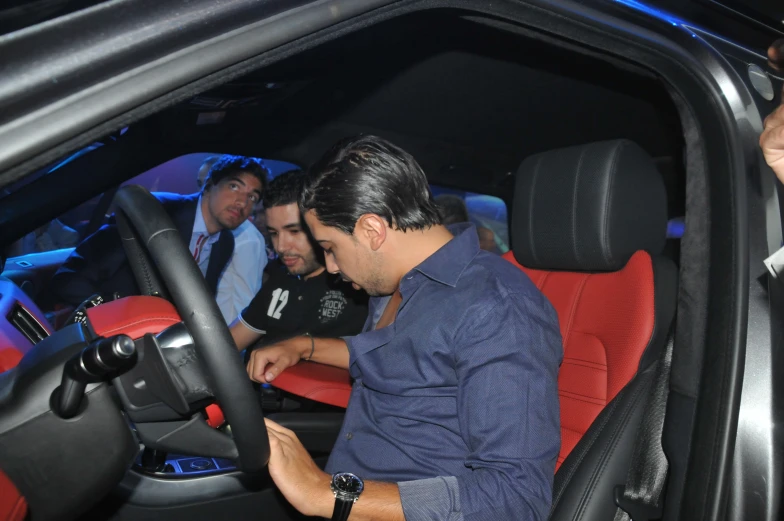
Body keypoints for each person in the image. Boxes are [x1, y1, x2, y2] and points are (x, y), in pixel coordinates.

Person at [251, 135, 562, 521]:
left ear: (371, 230)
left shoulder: (497, 307)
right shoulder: (395, 283)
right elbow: (395, 358)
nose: (330, 266)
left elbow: (517, 498)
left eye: (330, 247)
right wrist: (303, 346)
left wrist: (327, 494)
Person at [49, 155, 268, 324]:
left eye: (252, 197)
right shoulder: (158, 212)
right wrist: (104, 320)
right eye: (234, 186)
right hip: (109, 325)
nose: (242, 202)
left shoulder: (225, 242)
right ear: (210, 184)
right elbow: (75, 275)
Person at [230, 169, 368, 365]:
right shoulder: (281, 279)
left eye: (294, 231)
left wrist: (303, 348)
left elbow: (384, 359)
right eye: (274, 233)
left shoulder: (359, 285)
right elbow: (229, 343)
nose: (281, 247)